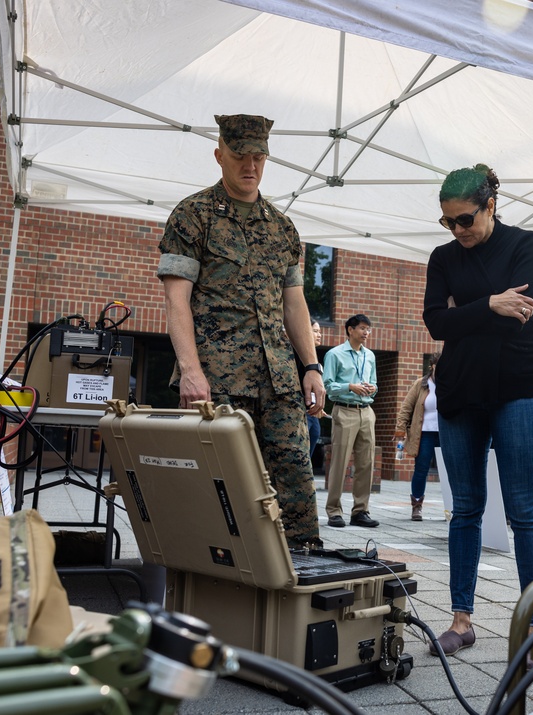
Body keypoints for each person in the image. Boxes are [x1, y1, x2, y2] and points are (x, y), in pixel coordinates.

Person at [157, 113, 325, 549]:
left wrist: (311, 366)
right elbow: (176, 302)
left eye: (259, 156)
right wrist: (190, 371)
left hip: (279, 382)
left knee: (296, 495)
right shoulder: (192, 216)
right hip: (217, 383)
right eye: (239, 155)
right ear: (219, 155)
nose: (250, 165)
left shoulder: (283, 228)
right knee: (221, 496)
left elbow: (294, 303)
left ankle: (295, 587)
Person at [422, 165, 533, 656]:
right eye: (448, 222)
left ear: (491, 205)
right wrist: (490, 304)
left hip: (517, 389)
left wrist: (467, 313)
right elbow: (435, 322)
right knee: (465, 511)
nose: (457, 230)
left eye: (465, 220)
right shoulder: (442, 257)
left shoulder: (527, 244)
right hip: (459, 393)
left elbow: (519, 317)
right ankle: (461, 620)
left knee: (525, 511)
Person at [323, 314, 379, 528]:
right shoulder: (334, 354)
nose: (366, 332)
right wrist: (350, 386)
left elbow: (374, 382)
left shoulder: (370, 356)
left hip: (366, 411)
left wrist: (372, 388)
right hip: (344, 411)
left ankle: (360, 511)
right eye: (363, 328)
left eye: (369, 329)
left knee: (366, 463)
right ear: (350, 330)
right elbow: (328, 386)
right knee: (340, 462)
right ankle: (334, 511)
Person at [395, 352, 441, 521]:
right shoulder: (421, 384)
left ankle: (452, 508)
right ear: (432, 367)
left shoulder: (452, 383)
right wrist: (400, 431)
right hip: (425, 434)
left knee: (451, 472)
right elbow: (406, 408)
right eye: (438, 367)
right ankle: (417, 506)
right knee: (421, 470)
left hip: (446, 434)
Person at [293, 319, 325, 460]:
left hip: (312, 413)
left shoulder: (314, 359)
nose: (319, 335)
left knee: (313, 438)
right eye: (316, 331)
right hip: (300, 412)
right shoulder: (297, 355)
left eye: (320, 332)